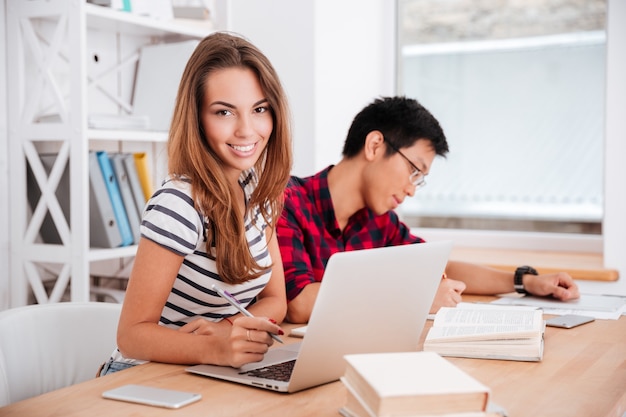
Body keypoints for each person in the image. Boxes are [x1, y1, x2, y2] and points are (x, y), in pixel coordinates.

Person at [277, 96, 580, 324]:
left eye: (418, 180)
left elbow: (435, 266)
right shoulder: (287, 200)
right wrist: (414, 296)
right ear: (374, 146)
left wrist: (524, 281)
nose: (411, 189)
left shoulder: (380, 221)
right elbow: (299, 303)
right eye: (413, 171)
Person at [100, 32, 292, 375]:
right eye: (224, 112)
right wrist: (215, 346)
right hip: (144, 373)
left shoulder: (257, 193)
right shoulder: (179, 204)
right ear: (198, 118)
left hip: (208, 368)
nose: (247, 130)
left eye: (259, 109)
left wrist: (229, 328)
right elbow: (131, 336)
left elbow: (276, 300)